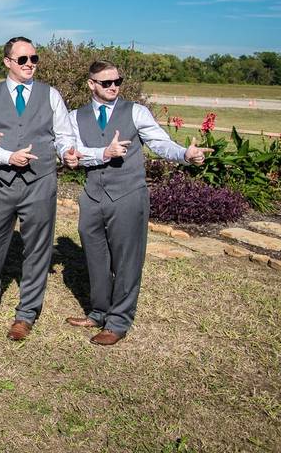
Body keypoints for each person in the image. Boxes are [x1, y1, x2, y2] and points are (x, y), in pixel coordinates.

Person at [62, 61, 212, 345]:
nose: (114, 86)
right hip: (92, 195)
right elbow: (73, 152)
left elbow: (159, 142)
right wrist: (102, 153)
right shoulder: (74, 117)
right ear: (91, 84)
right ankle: (98, 312)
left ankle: (118, 322)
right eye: (106, 83)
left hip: (129, 195)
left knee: (127, 261)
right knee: (95, 258)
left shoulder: (136, 112)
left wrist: (184, 153)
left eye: (118, 81)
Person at [0, 36, 74, 340]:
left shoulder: (51, 95)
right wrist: (6, 157)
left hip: (39, 183)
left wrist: (67, 151)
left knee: (37, 248)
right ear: (7, 62)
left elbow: (64, 134)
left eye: (34, 59)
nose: (30, 64)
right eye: (23, 59)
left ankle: (26, 313)